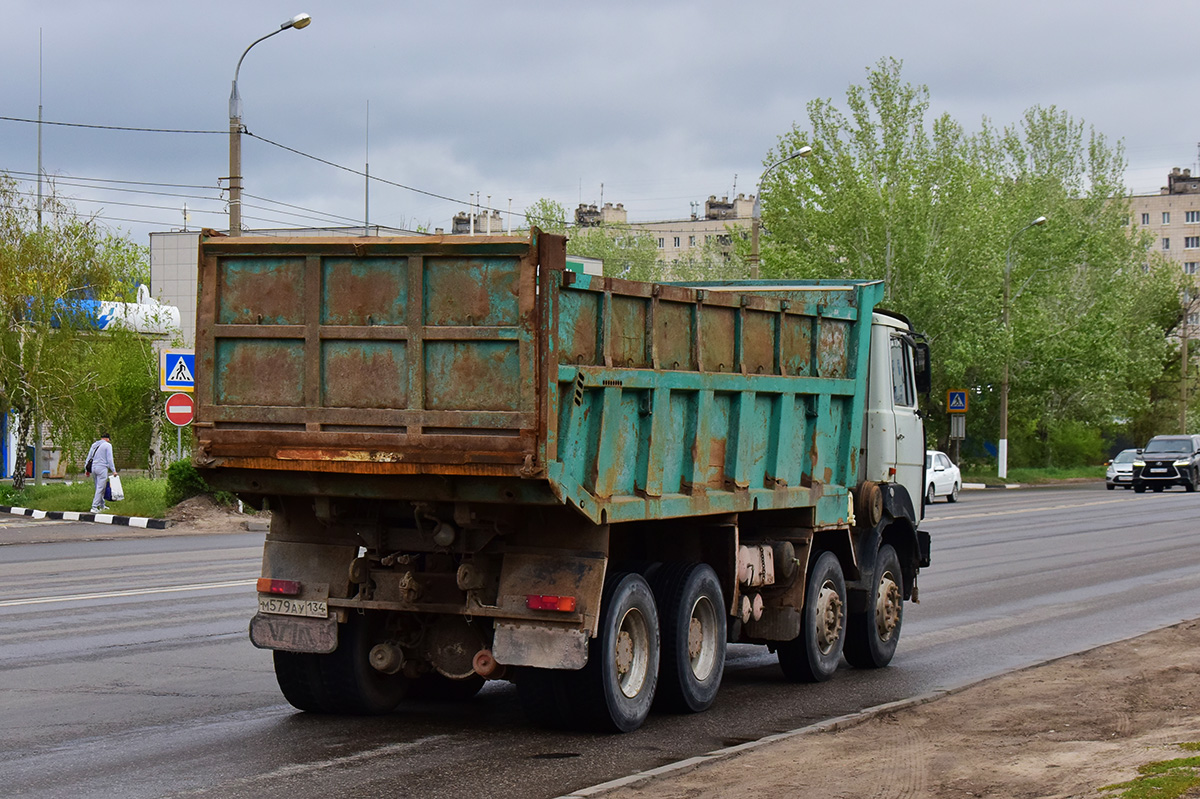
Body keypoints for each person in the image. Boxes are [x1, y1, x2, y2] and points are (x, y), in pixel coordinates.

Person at [85, 433, 117, 513]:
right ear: (107, 439)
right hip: (102, 468)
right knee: (101, 488)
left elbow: (89, 457)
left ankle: (102, 506)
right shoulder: (107, 445)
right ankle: (94, 507)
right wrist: (113, 470)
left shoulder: (94, 445)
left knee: (98, 487)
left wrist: (87, 470)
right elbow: (110, 459)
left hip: (93, 468)